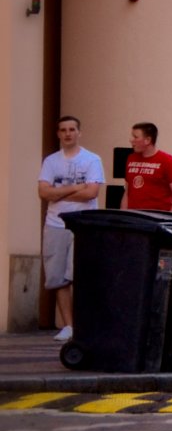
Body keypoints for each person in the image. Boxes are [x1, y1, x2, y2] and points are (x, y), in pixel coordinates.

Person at [37, 115, 104, 343]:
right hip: (56, 224)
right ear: (58, 134)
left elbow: (91, 193)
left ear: (79, 132)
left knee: (80, 274)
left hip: (83, 224)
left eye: (72, 129)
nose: (68, 134)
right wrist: (75, 186)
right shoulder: (51, 162)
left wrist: (59, 191)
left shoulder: (92, 160)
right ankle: (69, 326)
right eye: (63, 130)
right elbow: (44, 193)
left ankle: (86, 325)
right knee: (57, 277)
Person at [123, 121, 172, 212]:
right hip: (134, 218)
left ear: (147, 140)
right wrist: (123, 216)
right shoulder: (131, 158)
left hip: (155, 219)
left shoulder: (166, 160)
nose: (131, 140)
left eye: (135, 137)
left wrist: (169, 221)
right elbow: (127, 192)